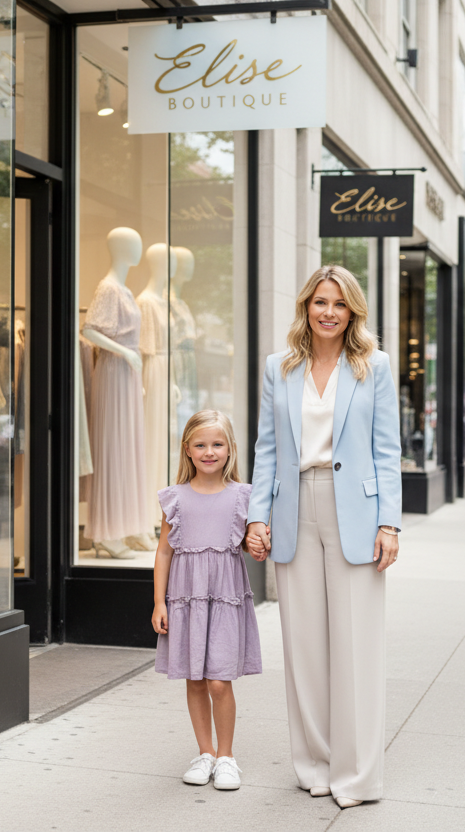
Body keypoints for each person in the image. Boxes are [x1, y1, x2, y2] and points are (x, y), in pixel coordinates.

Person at [244, 265, 401, 809]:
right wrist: (256, 516)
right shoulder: (278, 368)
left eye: (338, 303)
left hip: (354, 513)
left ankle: (356, 776)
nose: (328, 312)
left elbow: (387, 451)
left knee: (356, 645)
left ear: (352, 310)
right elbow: (267, 448)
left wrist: (390, 523)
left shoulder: (373, 366)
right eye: (319, 302)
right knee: (303, 644)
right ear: (306, 306)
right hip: (293, 510)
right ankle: (314, 763)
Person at [152, 410, 262, 791]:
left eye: (217, 444)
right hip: (186, 599)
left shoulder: (244, 497)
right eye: (200, 445)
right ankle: (205, 753)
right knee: (195, 679)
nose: (209, 452)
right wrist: (159, 602)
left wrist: (260, 543)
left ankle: (227, 756)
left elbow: (256, 543)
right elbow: (164, 553)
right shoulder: (175, 498)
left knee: (219, 681)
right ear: (187, 449)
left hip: (226, 598)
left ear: (230, 449)